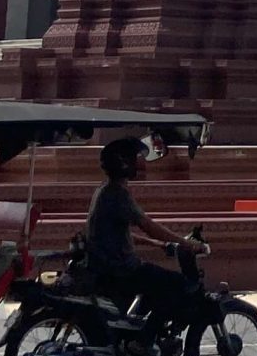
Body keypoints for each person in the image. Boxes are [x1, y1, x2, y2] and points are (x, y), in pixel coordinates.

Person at [84, 137, 199, 333]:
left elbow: (121, 233)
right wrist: (184, 243)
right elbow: (147, 224)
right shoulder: (117, 194)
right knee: (175, 284)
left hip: (108, 264)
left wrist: (157, 244)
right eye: (134, 158)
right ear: (123, 163)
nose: (139, 162)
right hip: (120, 269)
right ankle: (145, 341)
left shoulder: (104, 190)